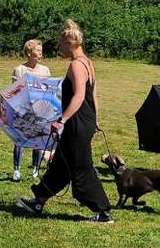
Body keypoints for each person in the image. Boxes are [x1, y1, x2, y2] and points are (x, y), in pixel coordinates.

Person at [16, 20, 113, 223]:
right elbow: (92, 94)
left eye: (61, 43)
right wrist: (95, 118)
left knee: (80, 166)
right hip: (84, 119)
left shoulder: (77, 65)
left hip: (76, 121)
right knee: (61, 163)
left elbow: (78, 96)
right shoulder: (88, 62)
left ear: (70, 43)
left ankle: (102, 211)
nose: (59, 48)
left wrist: (62, 120)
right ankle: (39, 200)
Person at [11, 39, 51, 181]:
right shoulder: (19, 70)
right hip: (24, 110)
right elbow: (15, 91)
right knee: (19, 140)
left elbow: (49, 91)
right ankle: (16, 170)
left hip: (40, 111)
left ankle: (35, 169)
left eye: (41, 50)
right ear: (29, 53)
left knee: (38, 141)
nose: (41, 53)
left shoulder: (45, 70)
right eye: (38, 50)